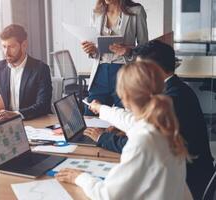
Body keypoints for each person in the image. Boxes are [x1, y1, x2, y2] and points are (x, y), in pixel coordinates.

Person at [84, 40, 215, 199]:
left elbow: (109, 194)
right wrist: (105, 112)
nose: (136, 74)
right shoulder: (173, 91)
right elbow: (138, 124)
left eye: (140, 69)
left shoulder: (173, 99)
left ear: (154, 70)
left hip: (191, 183)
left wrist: (103, 138)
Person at [56, 61, 192, 200]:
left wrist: (79, 177)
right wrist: (101, 108)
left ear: (124, 96)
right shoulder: (163, 124)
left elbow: (108, 195)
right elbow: (130, 121)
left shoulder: (143, 140)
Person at [83, 0, 148, 115]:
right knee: (91, 116)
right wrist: (91, 50)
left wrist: (128, 51)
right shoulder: (96, 13)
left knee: (124, 118)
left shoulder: (136, 11)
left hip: (124, 73)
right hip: (100, 73)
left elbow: (145, 48)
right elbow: (94, 44)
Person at [0, 24, 52, 120]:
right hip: (9, 126)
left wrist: (16, 114)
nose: (6, 52)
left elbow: (43, 106)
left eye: (11, 47)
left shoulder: (40, 69)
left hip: (34, 123)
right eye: (4, 47)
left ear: (24, 45)